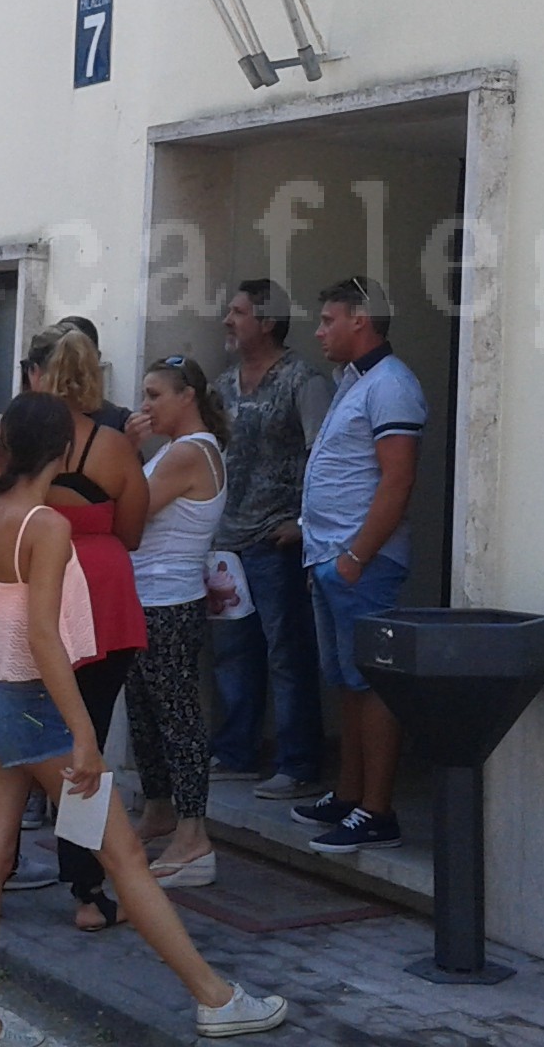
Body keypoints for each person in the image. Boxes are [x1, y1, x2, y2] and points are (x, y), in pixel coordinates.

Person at [0, 392, 289, 1047]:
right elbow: (46, 641)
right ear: (61, 450)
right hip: (37, 710)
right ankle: (214, 999)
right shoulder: (44, 526)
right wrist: (84, 735)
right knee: (126, 856)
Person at [0, 324, 147, 930]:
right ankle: (87, 888)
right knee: (82, 745)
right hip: (96, 602)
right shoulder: (111, 447)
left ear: (33, 373)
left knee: (29, 736)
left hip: (4, 596)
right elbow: (134, 531)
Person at [292, 277, 424, 854]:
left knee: (373, 684)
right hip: (329, 556)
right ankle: (349, 794)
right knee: (346, 680)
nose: (319, 331)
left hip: (360, 563)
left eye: (327, 319)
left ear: (360, 320)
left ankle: (377, 810)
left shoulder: (392, 385)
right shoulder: (356, 381)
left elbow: (397, 480)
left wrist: (355, 557)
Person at [205, 280, 333, 800]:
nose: (227, 321)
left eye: (236, 312)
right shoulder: (224, 385)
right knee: (233, 651)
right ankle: (236, 752)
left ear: (268, 321)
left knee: (288, 653)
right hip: (228, 543)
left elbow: (324, 456)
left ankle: (298, 761)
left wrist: (304, 525)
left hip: (276, 542)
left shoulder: (304, 381)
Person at [123, 356, 229, 888]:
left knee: (177, 717)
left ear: (186, 396)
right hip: (148, 598)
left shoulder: (188, 452)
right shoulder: (172, 450)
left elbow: (130, 512)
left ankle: (194, 837)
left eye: (154, 394)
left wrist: (121, 452)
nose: (145, 405)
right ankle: (160, 809)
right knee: (145, 715)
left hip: (167, 601)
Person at [56, 315, 131, 431]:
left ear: (96, 358)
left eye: (78, 355)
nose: (69, 364)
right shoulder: (33, 416)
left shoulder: (121, 421)